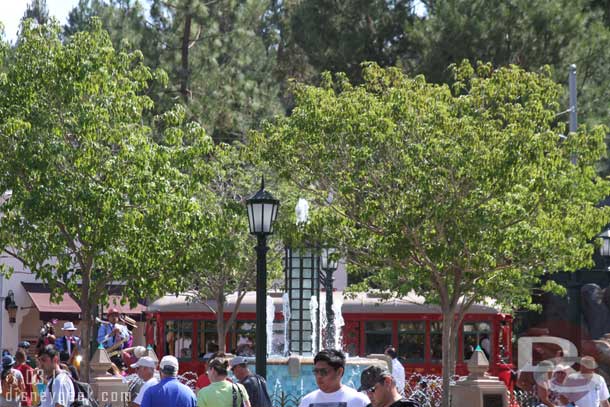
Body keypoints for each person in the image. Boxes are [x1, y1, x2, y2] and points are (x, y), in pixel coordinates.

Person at [298, 349, 369, 407]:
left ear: (339, 372)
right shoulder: (306, 401)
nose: (319, 376)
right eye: (316, 372)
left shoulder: (359, 401)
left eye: (323, 372)